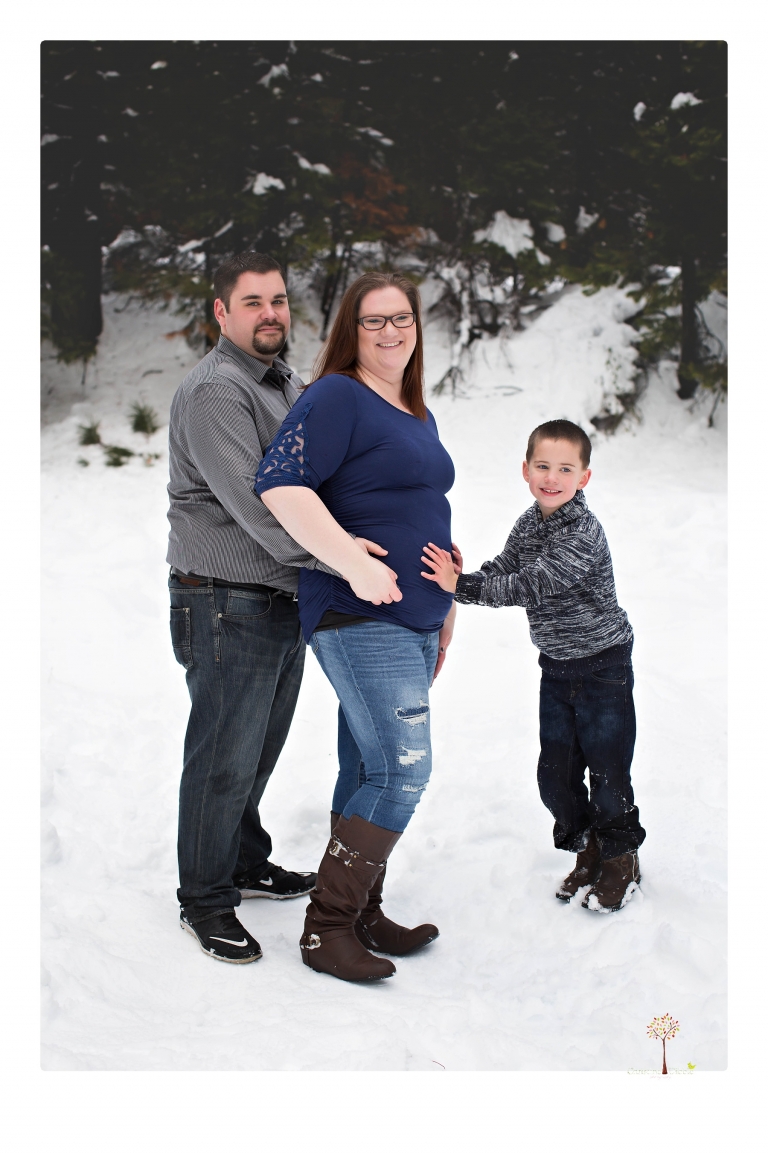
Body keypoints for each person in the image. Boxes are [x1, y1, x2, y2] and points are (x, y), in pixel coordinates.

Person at [256, 271, 457, 982]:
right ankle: (327, 929)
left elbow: (421, 509)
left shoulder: (416, 411)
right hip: (360, 613)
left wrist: (447, 606)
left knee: (368, 767)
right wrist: (351, 563)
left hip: (416, 618)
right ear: (353, 331)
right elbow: (280, 484)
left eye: (401, 318)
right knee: (403, 771)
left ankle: (363, 912)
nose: (390, 331)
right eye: (374, 320)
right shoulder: (338, 395)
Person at [167, 251, 332, 964]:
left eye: (278, 300)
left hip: (280, 595)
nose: (271, 313)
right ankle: (205, 899)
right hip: (225, 600)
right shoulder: (216, 391)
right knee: (222, 758)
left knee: (257, 749)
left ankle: (241, 859)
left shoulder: (283, 380)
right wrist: (345, 562)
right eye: (253, 302)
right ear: (222, 312)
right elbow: (261, 508)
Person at [422, 419, 645, 913]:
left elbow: (530, 585)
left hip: (603, 666)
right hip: (557, 668)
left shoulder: (582, 532)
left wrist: (458, 587)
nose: (552, 477)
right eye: (543, 466)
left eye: (565, 469)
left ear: (584, 477)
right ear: (525, 470)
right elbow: (507, 568)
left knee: (608, 772)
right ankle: (589, 848)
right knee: (556, 774)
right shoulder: (530, 522)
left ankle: (621, 859)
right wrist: (461, 575)